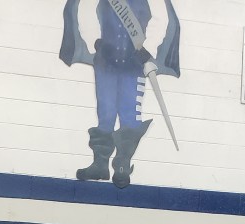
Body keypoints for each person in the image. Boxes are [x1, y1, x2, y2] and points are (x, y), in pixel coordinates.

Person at [60, 0, 180, 187]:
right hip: (105, 61)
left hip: (134, 65)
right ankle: (100, 165)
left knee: (130, 113)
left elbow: (161, 18)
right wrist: (95, 41)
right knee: (105, 112)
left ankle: (122, 166)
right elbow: (86, 9)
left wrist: (148, 48)